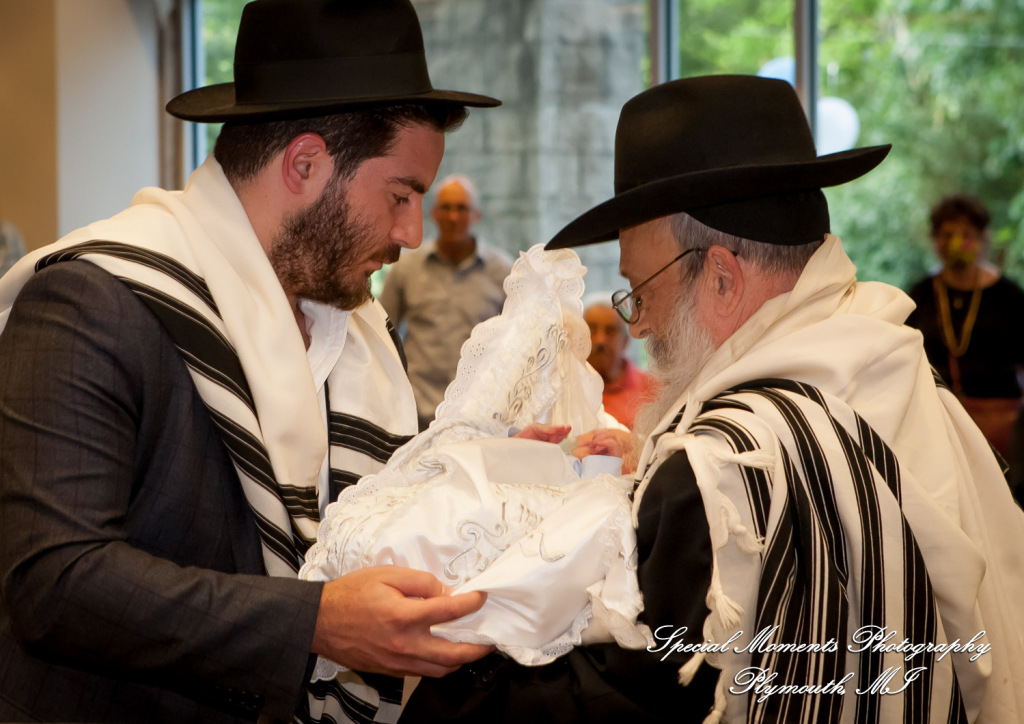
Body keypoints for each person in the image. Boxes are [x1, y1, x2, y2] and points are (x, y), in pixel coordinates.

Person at [401, 75, 1024, 723]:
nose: (636, 325)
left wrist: (444, 667)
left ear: (722, 278)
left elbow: (637, 697)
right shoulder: (898, 369)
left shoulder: (721, 463)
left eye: (639, 291)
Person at [0, 1, 501, 722]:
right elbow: (53, 580)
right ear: (304, 163)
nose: (412, 234)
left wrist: (510, 472)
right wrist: (314, 623)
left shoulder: (359, 335)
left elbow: (390, 512)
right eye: (400, 195)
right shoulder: (93, 300)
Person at [379, 174, 513, 430]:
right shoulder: (406, 268)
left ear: (476, 215)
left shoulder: (503, 272)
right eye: (446, 208)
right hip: (415, 414)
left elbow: (515, 345)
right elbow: (382, 333)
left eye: (461, 208)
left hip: (480, 415)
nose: (453, 217)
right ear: (433, 213)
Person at [905, 193, 1024, 457]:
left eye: (967, 233)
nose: (958, 242)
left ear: (982, 239)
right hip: (937, 423)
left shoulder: (1009, 296)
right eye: (948, 234)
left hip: (1001, 425)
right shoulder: (921, 296)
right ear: (936, 241)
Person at [584, 299, 655, 428]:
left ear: (625, 341)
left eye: (610, 331)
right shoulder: (563, 387)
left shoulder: (652, 390)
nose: (600, 340)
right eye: (592, 330)